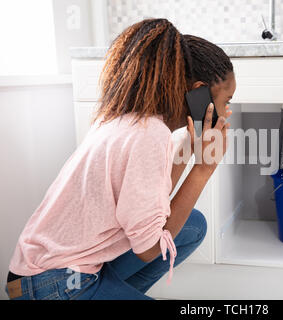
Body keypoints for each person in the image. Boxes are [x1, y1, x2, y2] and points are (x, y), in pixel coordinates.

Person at [5, 18, 236, 300]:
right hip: (55, 284)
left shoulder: (131, 120)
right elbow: (150, 248)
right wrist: (203, 170)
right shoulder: (150, 135)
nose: (226, 111)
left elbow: (152, 206)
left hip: (47, 273)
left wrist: (189, 147)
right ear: (199, 92)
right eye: (227, 101)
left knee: (192, 225)